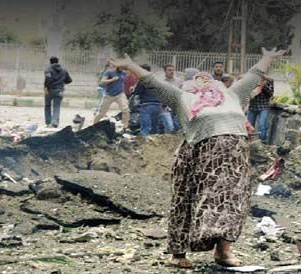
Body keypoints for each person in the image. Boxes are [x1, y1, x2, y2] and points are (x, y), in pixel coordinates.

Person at [109, 47, 285, 268]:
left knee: (231, 203)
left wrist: (267, 57)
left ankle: (223, 252)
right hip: (200, 157)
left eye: (208, 77)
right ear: (190, 84)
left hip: (234, 158)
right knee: (187, 201)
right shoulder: (182, 97)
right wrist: (130, 65)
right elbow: (152, 82)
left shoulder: (232, 95)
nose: (205, 80)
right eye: (198, 78)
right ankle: (178, 255)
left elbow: (253, 75)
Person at [93, 65, 130, 130]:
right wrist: (112, 80)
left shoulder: (123, 73)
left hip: (120, 94)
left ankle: (125, 127)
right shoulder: (109, 72)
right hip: (109, 95)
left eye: (123, 68)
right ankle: (94, 125)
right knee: (101, 113)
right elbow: (103, 81)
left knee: (125, 110)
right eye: (121, 67)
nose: (122, 69)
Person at [132, 64, 163, 136]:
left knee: (145, 127)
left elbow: (137, 92)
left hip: (146, 105)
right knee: (154, 127)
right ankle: (154, 144)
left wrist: (132, 90)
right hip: (157, 105)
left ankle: (143, 145)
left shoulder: (143, 80)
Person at [44, 57, 72, 128]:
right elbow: (69, 80)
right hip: (60, 90)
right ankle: (55, 122)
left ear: (50, 62)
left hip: (50, 90)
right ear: (58, 61)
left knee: (47, 106)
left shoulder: (48, 70)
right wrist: (61, 82)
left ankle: (48, 122)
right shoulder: (64, 71)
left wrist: (46, 87)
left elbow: (47, 79)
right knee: (57, 107)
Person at [247, 76, 274, 143]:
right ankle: (248, 142)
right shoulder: (251, 79)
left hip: (263, 106)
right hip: (252, 106)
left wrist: (263, 85)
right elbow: (248, 93)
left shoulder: (269, 80)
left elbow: (270, 94)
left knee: (262, 125)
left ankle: (262, 143)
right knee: (249, 126)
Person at [161, 64, 181, 133]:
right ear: (165, 71)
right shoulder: (161, 82)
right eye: (169, 70)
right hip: (165, 107)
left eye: (173, 70)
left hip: (176, 108)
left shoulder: (179, 81)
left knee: (177, 127)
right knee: (169, 127)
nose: (172, 72)